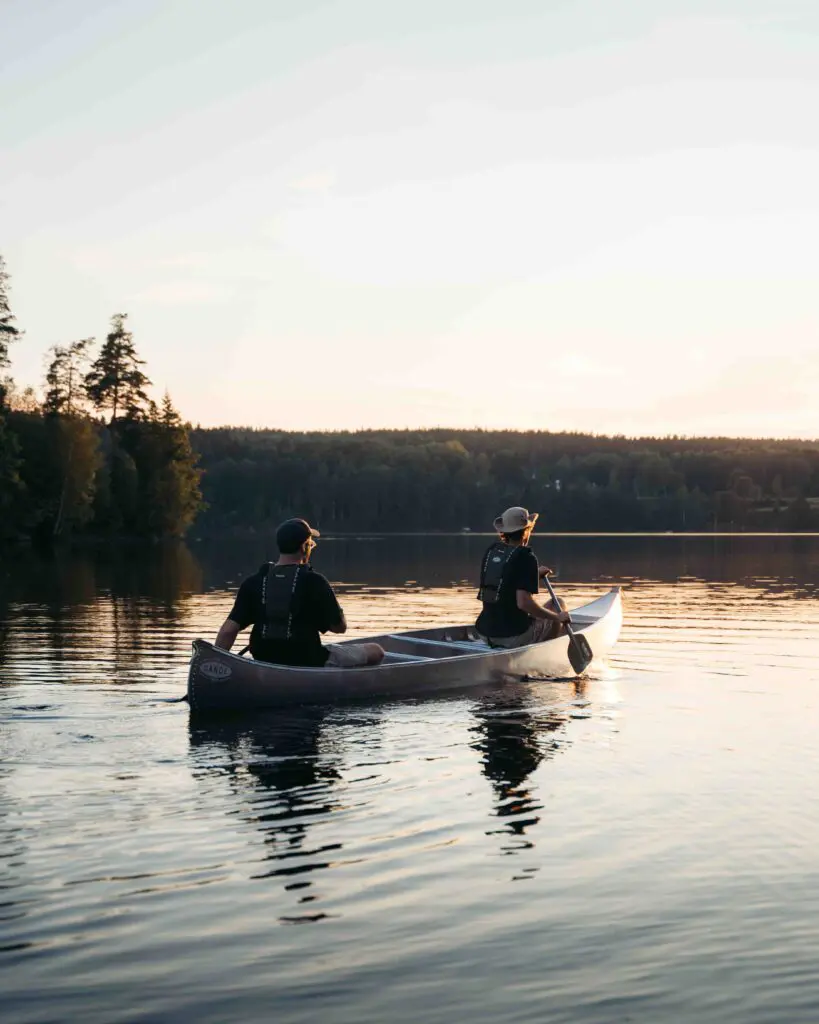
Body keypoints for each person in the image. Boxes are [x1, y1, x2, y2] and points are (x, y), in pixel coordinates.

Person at [213, 518, 384, 668]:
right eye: (310, 543)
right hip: (308, 660)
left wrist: (215, 667)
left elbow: (228, 631)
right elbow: (340, 628)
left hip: (263, 658)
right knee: (377, 651)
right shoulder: (315, 582)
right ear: (304, 547)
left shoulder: (254, 582)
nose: (311, 547)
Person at [476, 506, 571, 648]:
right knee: (558, 604)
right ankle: (543, 655)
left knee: (550, 608)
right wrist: (556, 617)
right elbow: (523, 603)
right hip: (512, 637)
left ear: (504, 532)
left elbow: (503, 584)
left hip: (484, 633)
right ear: (527, 531)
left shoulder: (492, 552)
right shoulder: (526, 557)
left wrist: (534, 575)